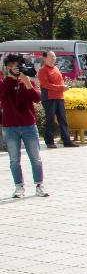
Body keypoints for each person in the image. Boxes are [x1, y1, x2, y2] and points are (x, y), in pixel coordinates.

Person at [2, 54, 46, 198]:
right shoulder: (4, 82)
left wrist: (26, 82)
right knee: (14, 159)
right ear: (8, 68)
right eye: (14, 66)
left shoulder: (27, 81)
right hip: (10, 127)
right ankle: (19, 187)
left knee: (36, 158)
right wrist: (10, 79)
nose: (17, 69)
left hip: (29, 125)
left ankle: (39, 185)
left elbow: (37, 98)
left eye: (19, 66)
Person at [37, 50, 75, 148]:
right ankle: (49, 142)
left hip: (59, 97)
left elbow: (60, 82)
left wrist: (63, 87)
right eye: (51, 57)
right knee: (50, 120)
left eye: (54, 57)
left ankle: (66, 141)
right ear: (44, 58)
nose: (53, 58)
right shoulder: (42, 70)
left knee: (63, 119)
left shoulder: (56, 68)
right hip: (49, 98)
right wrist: (61, 88)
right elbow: (46, 85)